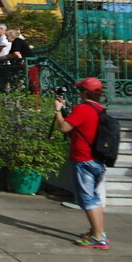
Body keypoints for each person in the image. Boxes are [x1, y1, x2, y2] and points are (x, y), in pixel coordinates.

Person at [54, 77, 108, 250]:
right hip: (98, 159)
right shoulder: (100, 109)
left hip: (83, 160)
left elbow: (64, 128)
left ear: (85, 93)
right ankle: (97, 231)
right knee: (95, 198)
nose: (79, 93)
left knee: (87, 199)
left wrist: (57, 111)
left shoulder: (83, 109)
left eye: (80, 91)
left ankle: (98, 238)